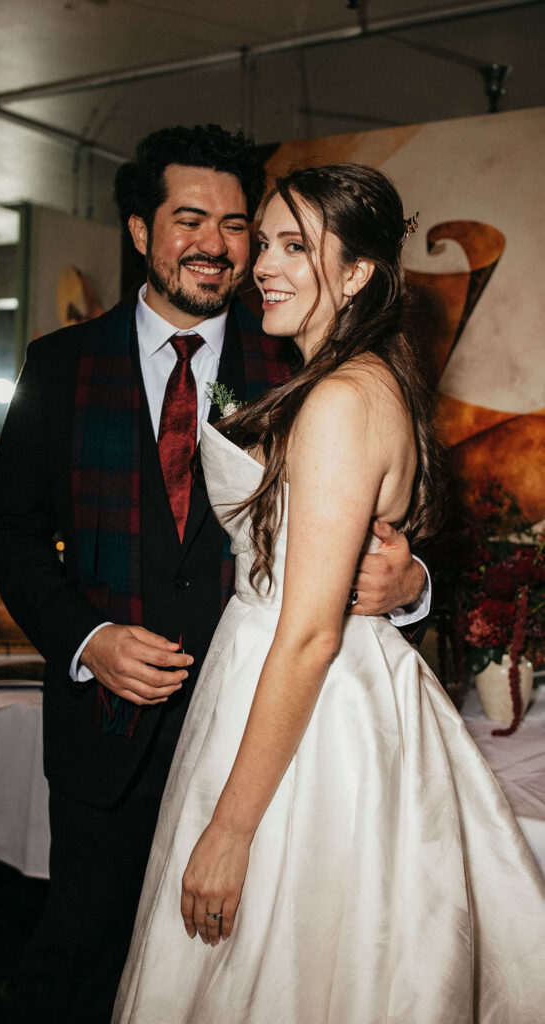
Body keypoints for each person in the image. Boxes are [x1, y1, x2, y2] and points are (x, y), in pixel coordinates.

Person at [0, 129, 429, 1024]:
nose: (220, 245)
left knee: (240, 974)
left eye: (238, 225)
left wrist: (408, 580)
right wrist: (87, 639)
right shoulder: (61, 365)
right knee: (77, 955)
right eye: (191, 220)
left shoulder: (297, 361)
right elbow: (9, 529)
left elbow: (382, 527)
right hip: (108, 726)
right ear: (141, 231)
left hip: (260, 737)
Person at [113, 164, 545, 1023]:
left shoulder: (343, 400)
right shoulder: (356, 379)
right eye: (263, 243)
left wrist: (232, 831)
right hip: (301, 681)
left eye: (295, 247)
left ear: (356, 273)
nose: (262, 265)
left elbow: (309, 634)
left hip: (311, 705)